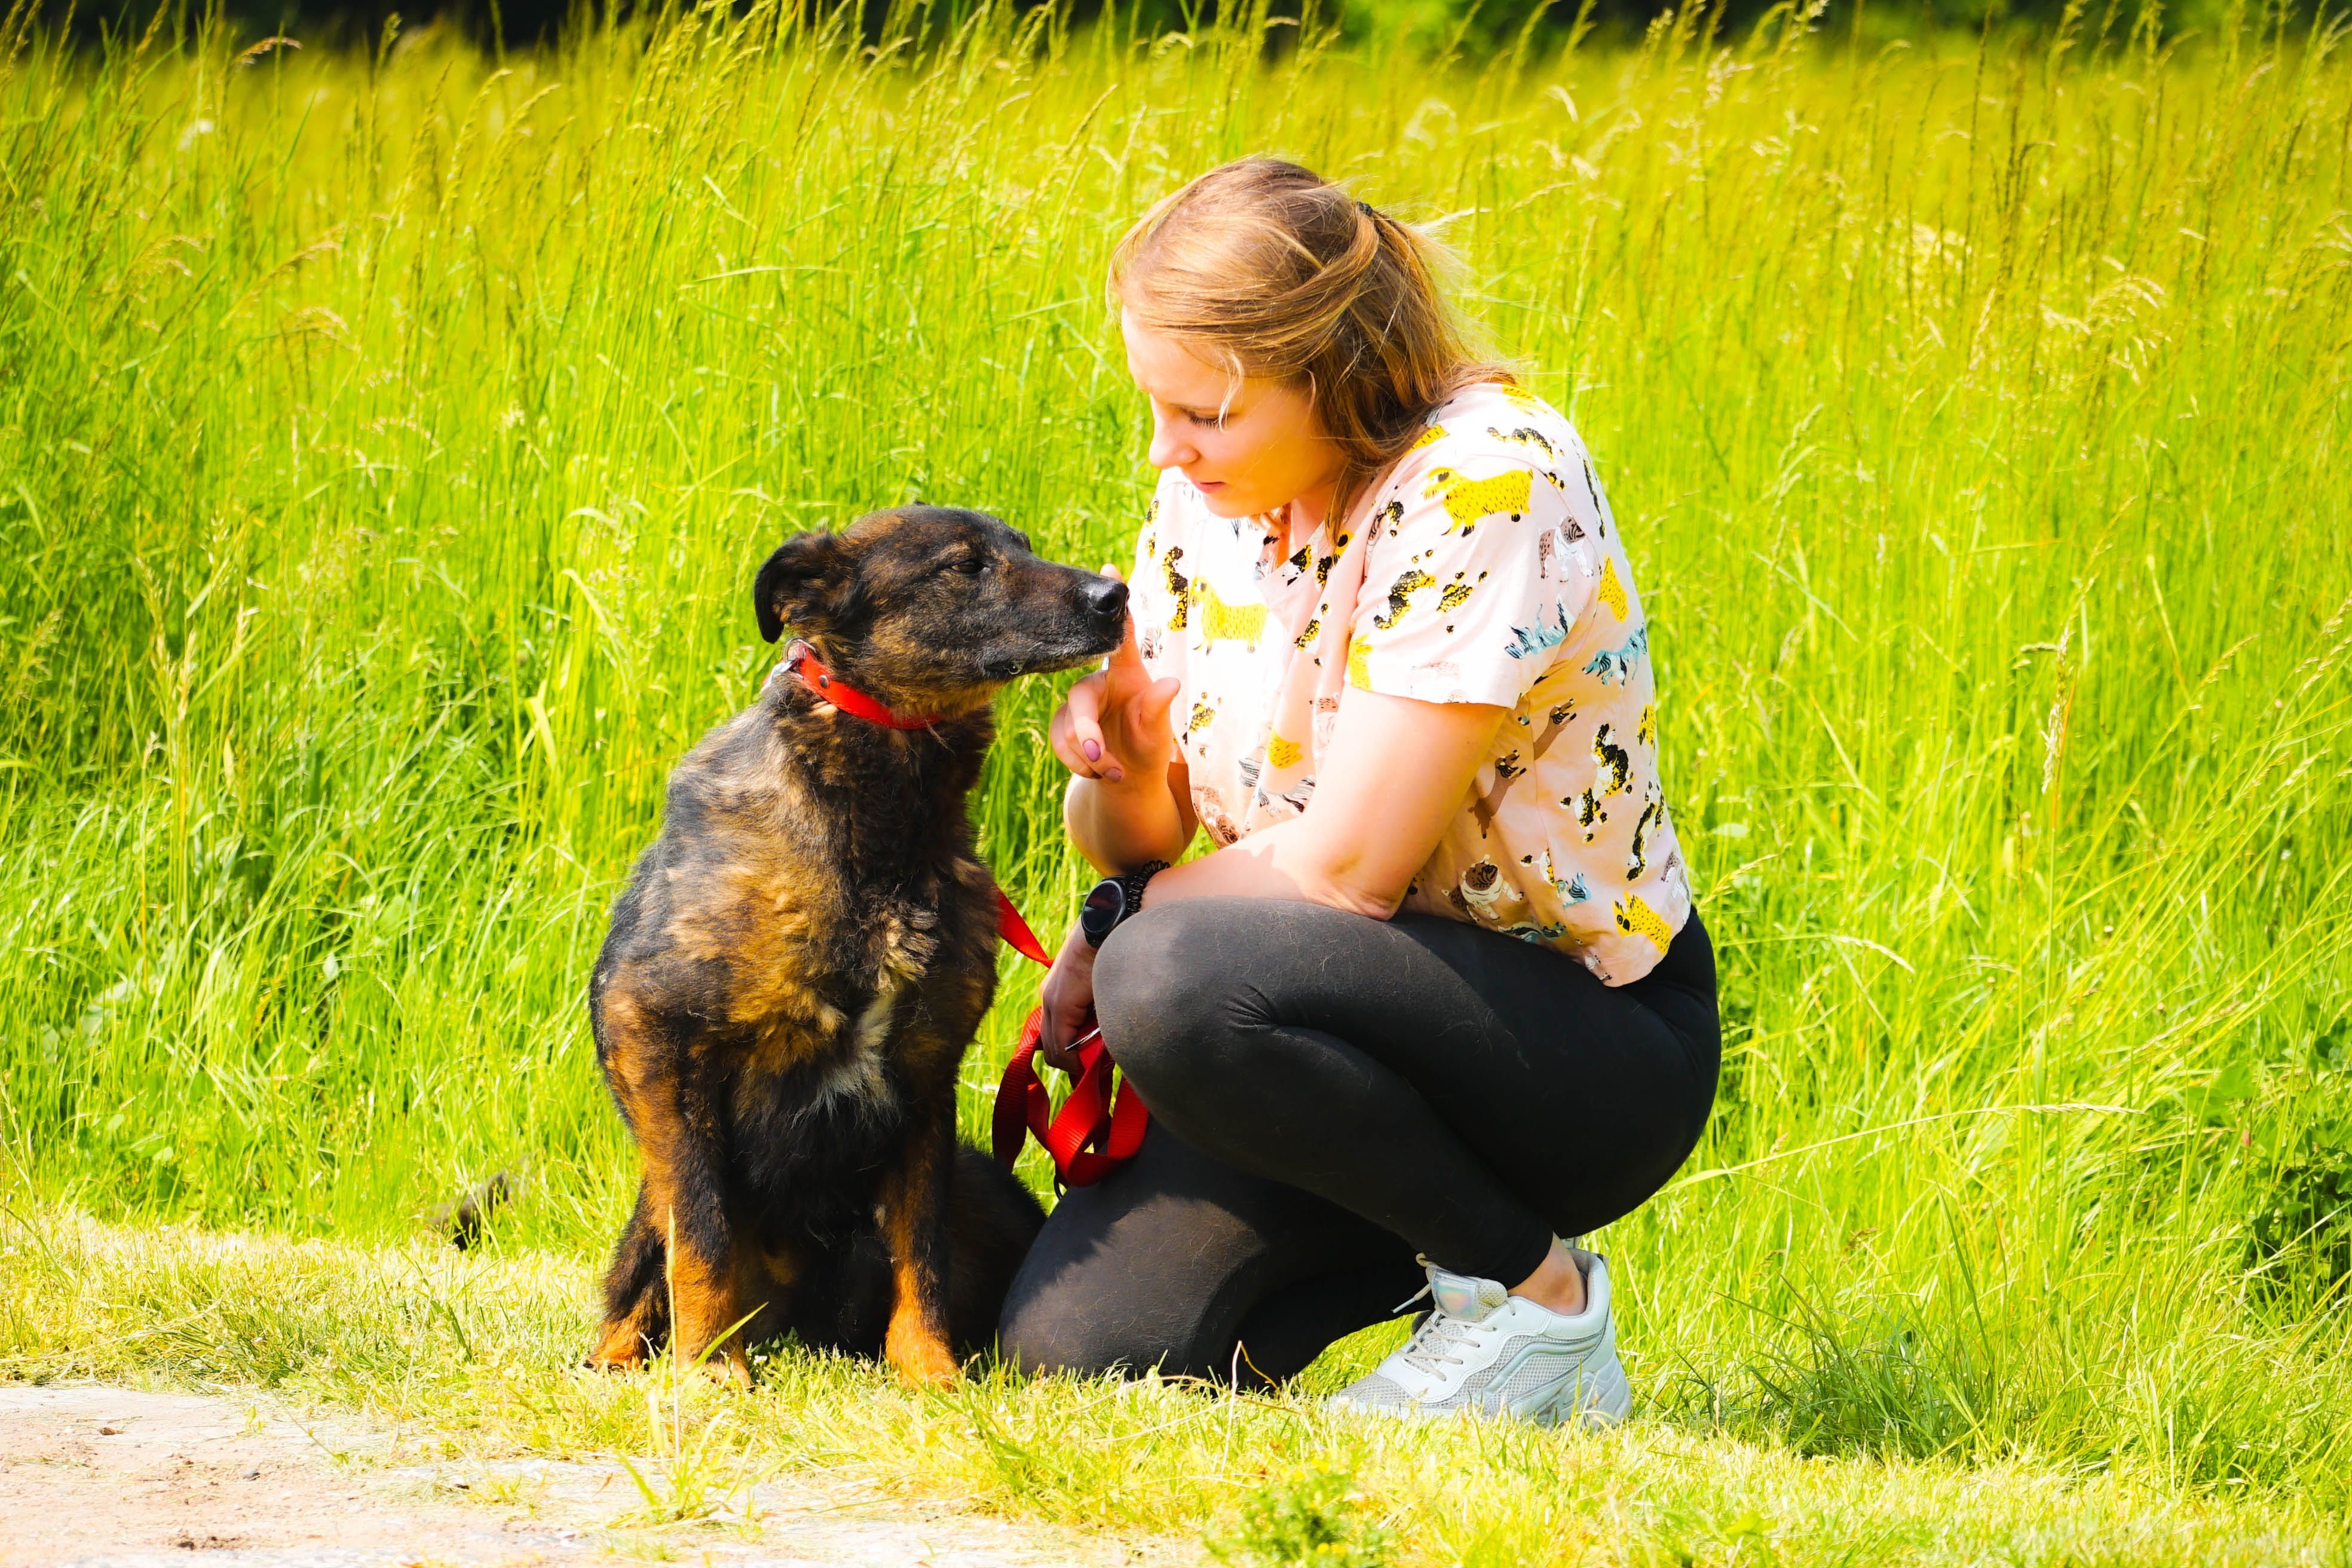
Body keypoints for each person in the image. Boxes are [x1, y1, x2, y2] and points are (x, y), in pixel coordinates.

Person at [995, 157, 1720, 1428]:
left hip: (1573, 1036)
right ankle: (1429, 1243)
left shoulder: (1490, 477)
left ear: (1330, 368)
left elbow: (1344, 870)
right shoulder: (1199, 506)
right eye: (1153, 408)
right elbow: (1142, 845)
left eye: (1205, 414)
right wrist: (1118, 760)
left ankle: (1537, 1306)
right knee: (1078, 1355)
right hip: (1314, 1032)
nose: (1167, 451)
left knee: (1163, 974)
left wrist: (1112, 932)